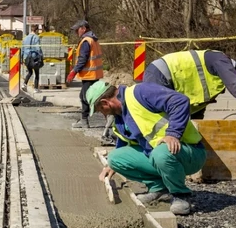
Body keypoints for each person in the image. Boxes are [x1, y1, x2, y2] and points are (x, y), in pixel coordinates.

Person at [87, 80, 207, 215]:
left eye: (101, 110)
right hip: (158, 155)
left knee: (161, 153)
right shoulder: (120, 117)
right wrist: (111, 165)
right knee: (115, 159)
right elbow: (125, 141)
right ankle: (159, 188)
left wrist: (173, 134)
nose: (104, 114)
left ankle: (181, 196)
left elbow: (180, 101)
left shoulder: (140, 92)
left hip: (189, 152)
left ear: (105, 102)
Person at [143, 49, 236, 126]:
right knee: (159, 121)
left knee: (174, 124)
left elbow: (197, 102)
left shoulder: (216, 75)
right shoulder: (220, 60)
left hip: (165, 78)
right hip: (161, 74)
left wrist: (198, 126)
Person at [66, 20, 104, 129]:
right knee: (90, 97)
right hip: (94, 73)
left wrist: (73, 72)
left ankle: (85, 121)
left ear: (83, 28)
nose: (76, 32)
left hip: (89, 74)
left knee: (85, 97)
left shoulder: (86, 41)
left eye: (77, 30)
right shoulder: (93, 39)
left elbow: (83, 59)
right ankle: (87, 119)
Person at [21, 26, 44, 92]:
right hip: (34, 58)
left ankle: (24, 84)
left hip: (26, 58)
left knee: (30, 72)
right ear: (36, 30)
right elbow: (38, 48)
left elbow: (22, 49)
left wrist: (22, 58)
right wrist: (41, 56)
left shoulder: (25, 38)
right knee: (36, 73)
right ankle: (36, 89)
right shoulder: (36, 37)